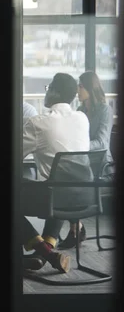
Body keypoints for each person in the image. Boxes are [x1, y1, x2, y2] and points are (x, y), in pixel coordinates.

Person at [20, 72, 90, 273]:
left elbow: (12, 155)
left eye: (48, 88)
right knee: (58, 181)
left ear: (55, 92)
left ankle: (46, 252)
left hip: (53, 197)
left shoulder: (38, 122)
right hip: (84, 195)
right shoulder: (82, 119)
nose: (46, 92)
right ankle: (46, 249)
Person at [57, 71, 114, 249]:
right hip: (85, 163)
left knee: (68, 181)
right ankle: (76, 228)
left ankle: (75, 230)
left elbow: (102, 142)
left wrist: (79, 145)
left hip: (101, 166)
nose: (77, 89)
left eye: (80, 85)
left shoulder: (105, 110)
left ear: (90, 87)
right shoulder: (80, 111)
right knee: (60, 180)